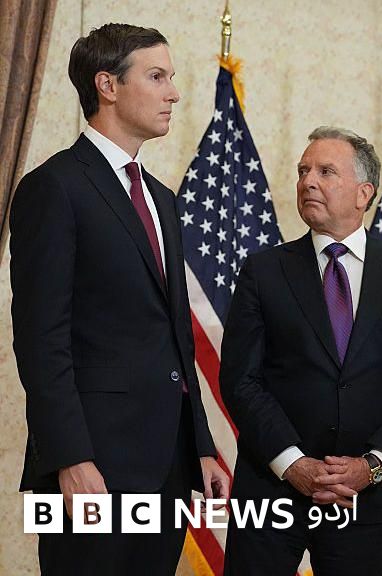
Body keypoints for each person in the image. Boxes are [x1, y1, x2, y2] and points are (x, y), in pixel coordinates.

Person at [9, 23, 229, 575]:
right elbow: (40, 341)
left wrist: (200, 446)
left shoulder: (162, 199)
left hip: (168, 468)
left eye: (171, 78)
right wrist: (71, 457)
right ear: (107, 85)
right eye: (157, 77)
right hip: (92, 468)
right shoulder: (53, 188)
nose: (173, 92)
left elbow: (176, 338)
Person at [220, 126, 382, 575]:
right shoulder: (264, 271)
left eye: (325, 171)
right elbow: (241, 380)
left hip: (363, 499)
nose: (308, 181)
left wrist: (372, 466)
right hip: (270, 491)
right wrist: (292, 463)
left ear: (364, 193)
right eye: (303, 171)